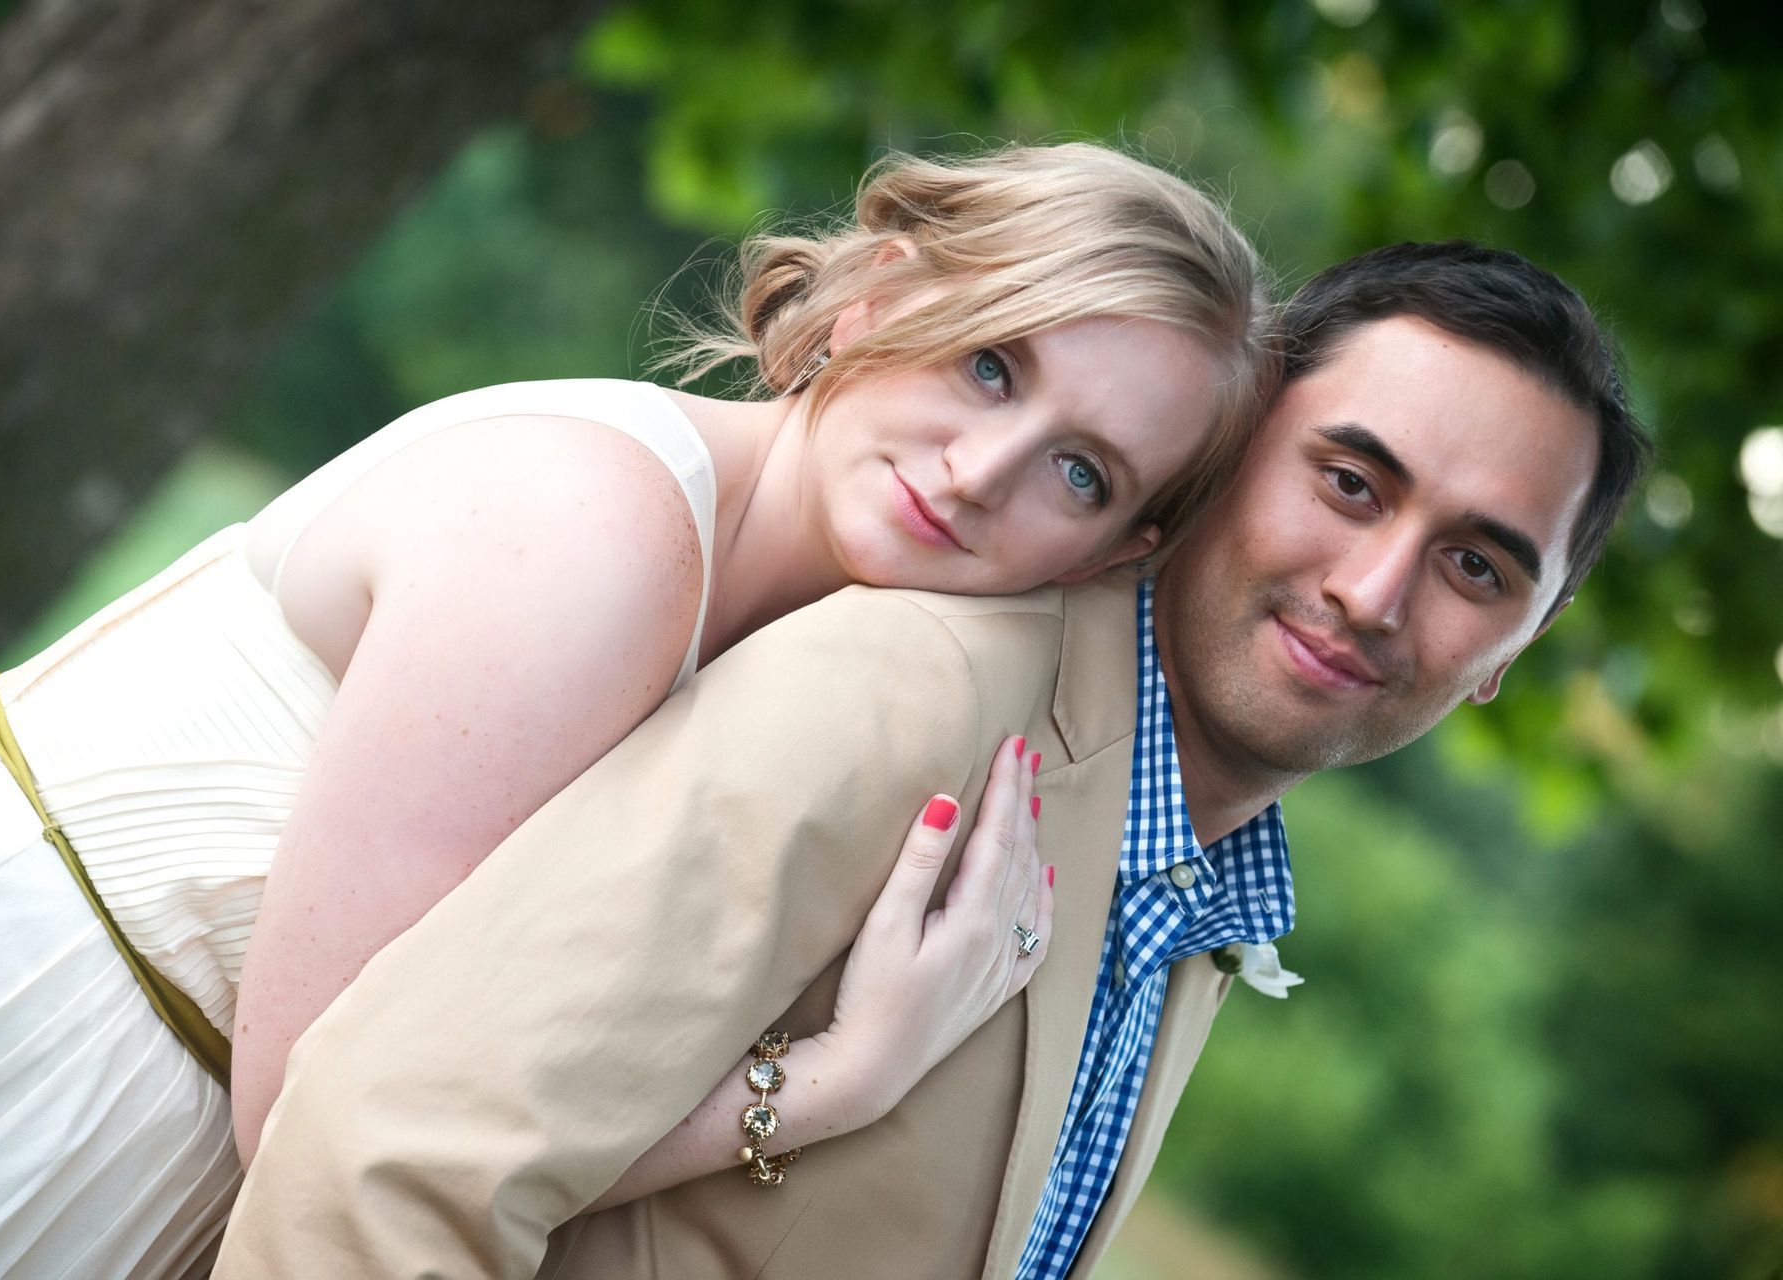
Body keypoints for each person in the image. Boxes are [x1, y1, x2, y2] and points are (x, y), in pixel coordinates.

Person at [0, 142, 1272, 1280]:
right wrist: (828, 1084)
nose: (982, 469)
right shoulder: (600, 538)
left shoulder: (789, 660)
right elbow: (326, 1112)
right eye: (992, 364)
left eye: (1081, 473)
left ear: (1110, 560)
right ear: (881, 298)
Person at [213, 240, 1652, 1280]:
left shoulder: (1200, 905)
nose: (1375, 588)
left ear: (1513, 653)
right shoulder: (918, 693)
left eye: (1476, 564)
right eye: (1349, 482)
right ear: (1226, 460)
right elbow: (383, 1158)